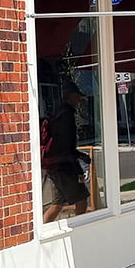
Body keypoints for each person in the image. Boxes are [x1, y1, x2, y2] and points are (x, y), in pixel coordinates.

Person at [41, 82, 91, 223]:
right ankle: (79, 229)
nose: (79, 102)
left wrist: (79, 155)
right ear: (72, 96)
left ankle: (44, 228)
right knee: (81, 200)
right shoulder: (66, 116)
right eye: (78, 98)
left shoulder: (57, 113)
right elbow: (65, 146)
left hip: (53, 165)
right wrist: (78, 166)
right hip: (63, 166)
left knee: (57, 205)